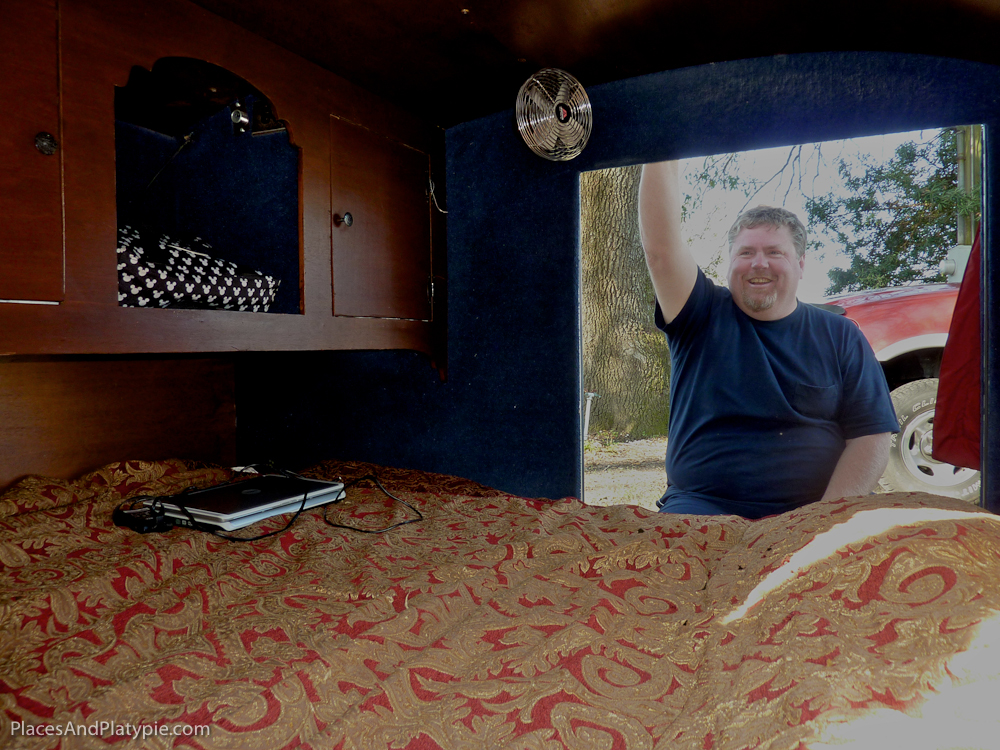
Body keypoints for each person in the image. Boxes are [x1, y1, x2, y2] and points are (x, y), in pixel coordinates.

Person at [638, 160, 899, 518]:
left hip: (811, 513)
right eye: (745, 253)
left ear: (801, 264)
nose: (758, 263)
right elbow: (660, 252)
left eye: (774, 252)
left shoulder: (841, 335)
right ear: (729, 262)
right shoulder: (699, 313)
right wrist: (663, 149)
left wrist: (822, 520)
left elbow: (871, 438)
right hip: (700, 508)